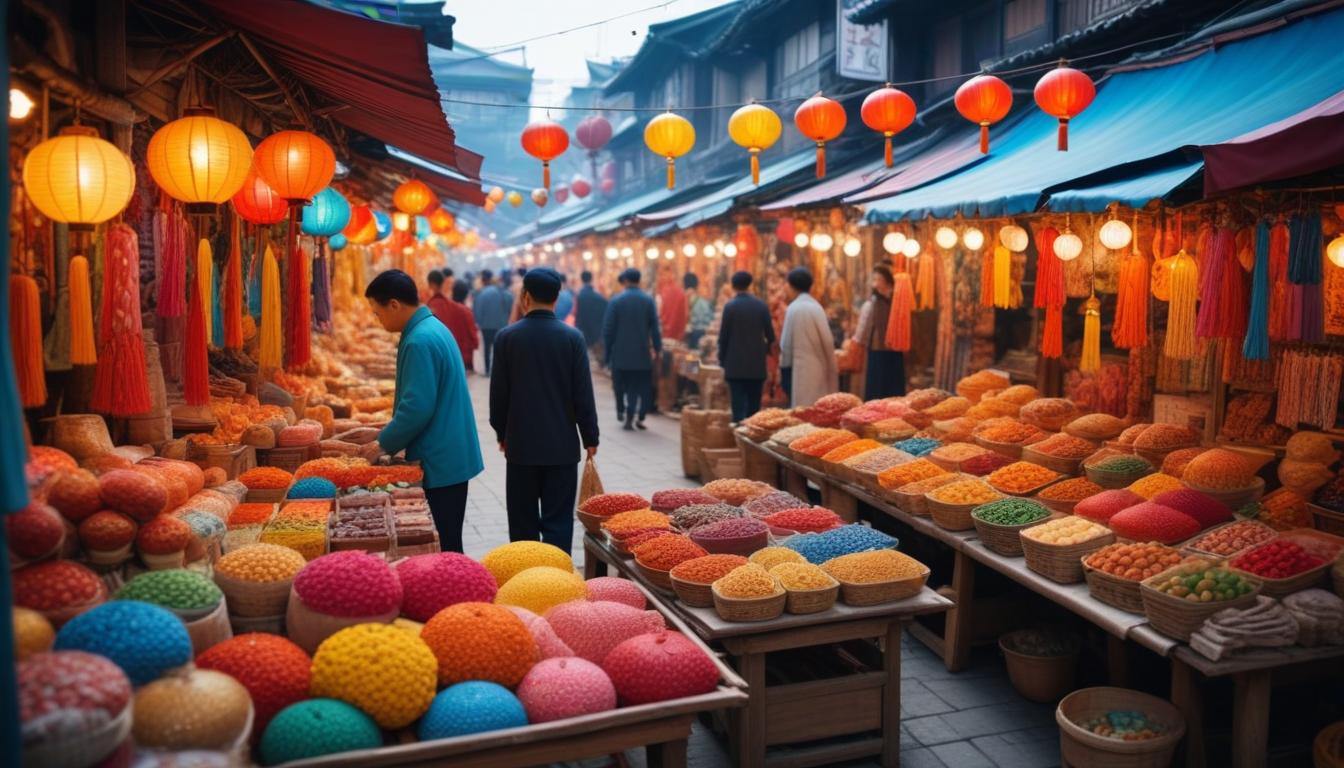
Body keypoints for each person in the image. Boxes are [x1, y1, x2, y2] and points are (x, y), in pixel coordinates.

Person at [362, 270, 483, 553]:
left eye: (378, 314)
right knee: (449, 538)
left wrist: (383, 443)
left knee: (445, 543)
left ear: (394, 304)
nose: (378, 321)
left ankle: (456, 595)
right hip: (449, 451)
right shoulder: (431, 328)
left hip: (439, 456)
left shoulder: (419, 340)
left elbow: (417, 407)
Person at [489, 268, 599, 553]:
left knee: (522, 520)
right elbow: (583, 395)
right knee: (559, 520)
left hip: (521, 446)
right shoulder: (572, 338)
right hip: (561, 447)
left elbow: (498, 395)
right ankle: (557, 576)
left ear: (525, 296)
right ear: (557, 297)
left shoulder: (506, 338)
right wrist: (590, 438)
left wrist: (502, 432)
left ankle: (527, 575)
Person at [603, 267, 660, 430]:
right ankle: (638, 414)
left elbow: (608, 329)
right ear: (639, 280)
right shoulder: (648, 301)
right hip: (642, 352)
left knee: (619, 384)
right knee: (638, 385)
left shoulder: (616, 301)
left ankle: (623, 410)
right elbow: (655, 328)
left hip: (620, 353)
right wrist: (658, 349)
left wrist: (607, 354)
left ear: (625, 281)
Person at [718, 271, 775, 422]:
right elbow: (771, 335)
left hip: (734, 365)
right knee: (753, 407)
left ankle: (738, 436)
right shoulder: (761, 306)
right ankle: (751, 436)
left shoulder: (730, 307)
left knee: (737, 406)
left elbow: (723, 337)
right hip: (756, 365)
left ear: (733, 286)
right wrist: (766, 351)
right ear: (750, 285)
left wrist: (722, 360)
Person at [780, 266, 837, 407]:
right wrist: (832, 368)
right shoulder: (817, 308)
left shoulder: (793, 308)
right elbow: (828, 341)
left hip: (800, 371)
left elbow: (785, 344)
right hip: (819, 369)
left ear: (792, 285)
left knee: (802, 412)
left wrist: (783, 369)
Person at [853, 264, 905, 398]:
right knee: (877, 386)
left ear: (887, 282)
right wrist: (859, 342)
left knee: (894, 386)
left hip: (895, 348)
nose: (875, 284)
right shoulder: (872, 302)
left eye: (878, 280)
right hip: (877, 348)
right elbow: (864, 325)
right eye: (873, 280)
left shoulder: (897, 300)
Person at [473, 270, 510, 375]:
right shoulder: (503, 292)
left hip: (486, 325)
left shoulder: (481, 294)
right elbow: (508, 307)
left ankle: (487, 369)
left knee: (486, 348)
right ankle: (497, 370)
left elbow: (477, 310)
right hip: (500, 324)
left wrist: (479, 322)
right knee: (498, 348)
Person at [575, 270, 607, 364]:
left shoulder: (580, 296)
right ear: (591, 279)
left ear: (581, 279)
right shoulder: (599, 296)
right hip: (597, 332)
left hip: (584, 332)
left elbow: (578, 315)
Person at [447, 281, 480, 372]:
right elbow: (471, 330)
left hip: (448, 350)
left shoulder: (447, 308)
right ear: (465, 294)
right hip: (463, 352)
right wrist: (475, 343)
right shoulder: (466, 311)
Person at [657, 267, 688, 344]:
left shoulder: (662, 292)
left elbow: (658, 313)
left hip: (663, 331)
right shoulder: (681, 292)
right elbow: (684, 315)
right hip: (676, 334)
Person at [684, 272, 714, 350]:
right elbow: (710, 320)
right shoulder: (704, 302)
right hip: (702, 335)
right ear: (697, 285)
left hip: (688, 336)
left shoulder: (682, 299)